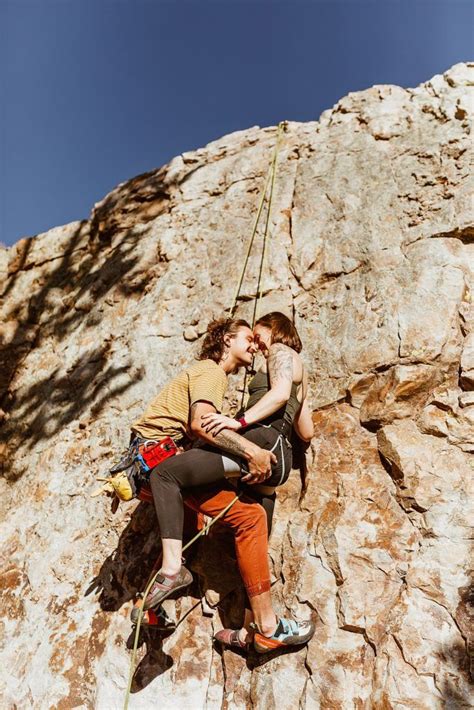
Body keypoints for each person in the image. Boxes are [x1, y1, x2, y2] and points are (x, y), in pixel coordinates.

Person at [143, 311, 315, 652]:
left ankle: (171, 569)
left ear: (272, 330)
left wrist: (240, 421)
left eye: (258, 333)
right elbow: (306, 430)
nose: (256, 342)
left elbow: (279, 393)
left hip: (262, 443)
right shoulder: (304, 375)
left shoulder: (280, 351)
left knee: (167, 474)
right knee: (251, 527)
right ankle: (260, 628)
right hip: (280, 457)